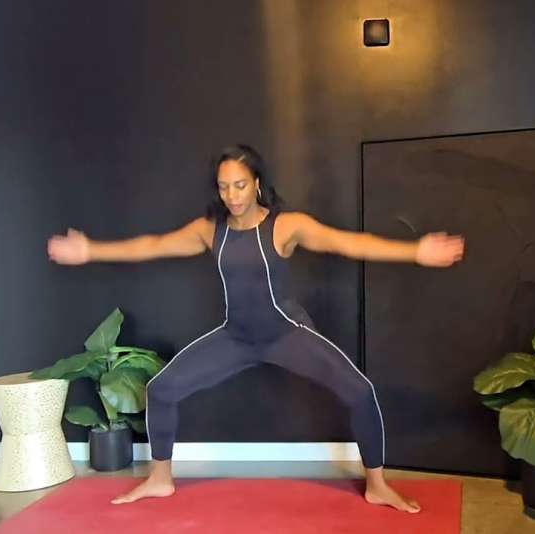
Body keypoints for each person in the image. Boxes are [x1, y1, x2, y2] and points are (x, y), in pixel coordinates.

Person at [47, 144, 465, 513]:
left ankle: (377, 485)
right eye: (225, 186)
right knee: (161, 389)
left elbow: (348, 243)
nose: (232, 195)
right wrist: (90, 250)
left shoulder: (285, 225)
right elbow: (152, 246)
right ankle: (160, 478)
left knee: (359, 391)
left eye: (240, 185)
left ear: (258, 183)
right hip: (236, 337)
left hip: (285, 334)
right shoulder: (210, 231)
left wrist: (416, 251)